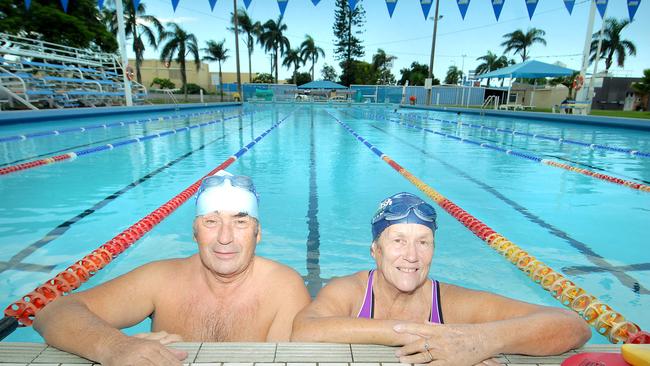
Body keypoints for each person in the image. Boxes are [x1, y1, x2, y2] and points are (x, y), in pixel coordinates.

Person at [34, 171, 311, 366]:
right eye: (211, 222)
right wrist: (115, 346)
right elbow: (52, 313)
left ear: (257, 233)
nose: (225, 238)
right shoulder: (161, 279)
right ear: (194, 233)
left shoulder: (283, 287)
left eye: (240, 223)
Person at [292, 192, 590, 366]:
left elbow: (574, 327)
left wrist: (478, 340)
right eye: (398, 241)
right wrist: (424, 336)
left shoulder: (451, 302)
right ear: (375, 250)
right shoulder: (350, 291)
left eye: (423, 242)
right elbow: (304, 330)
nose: (412, 256)